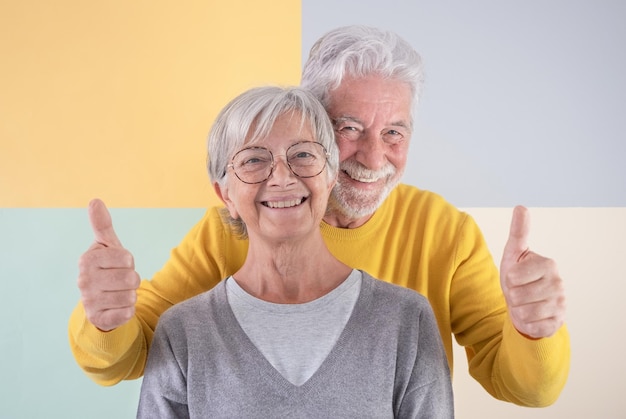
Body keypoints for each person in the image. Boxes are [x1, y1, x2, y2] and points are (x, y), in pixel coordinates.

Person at [69, 25, 570, 407]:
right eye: (349, 127)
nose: (374, 159)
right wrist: (106, 318)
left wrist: (533, 331)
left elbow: (526, 388)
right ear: (310, 126)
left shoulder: (444, 232)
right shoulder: (231, 225)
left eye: (394, 133)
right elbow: (135, 352)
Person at [135, 85, 454, 418]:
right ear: (225, 194)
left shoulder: (405, 320)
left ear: (330, 176)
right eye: (254, 160)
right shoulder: (183, 333)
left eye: (303, 154)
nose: (283, 178)